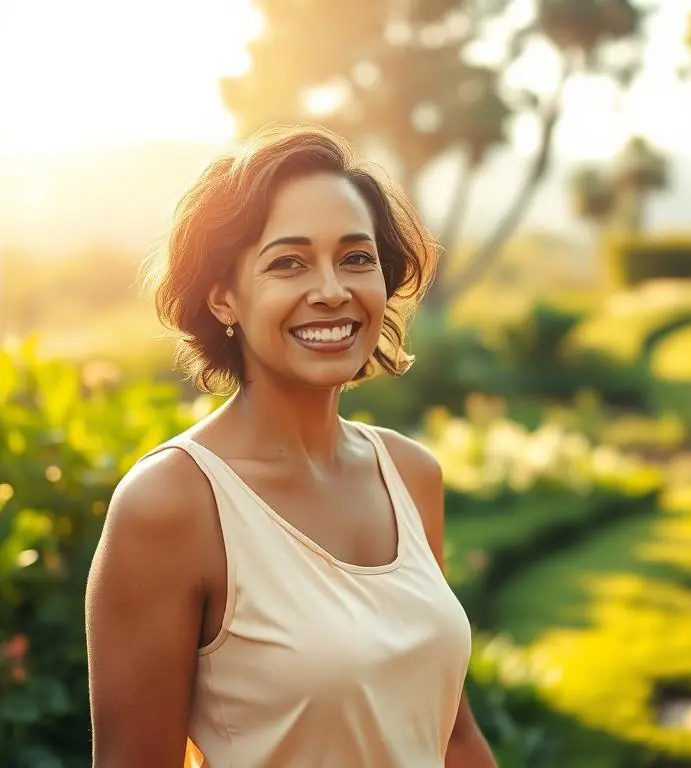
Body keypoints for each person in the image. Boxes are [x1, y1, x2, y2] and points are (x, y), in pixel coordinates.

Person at [84, 124, 498, 767]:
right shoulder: (172, 503)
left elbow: (453, 736)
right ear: (224, 297)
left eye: (356, 258)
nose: (332, 289)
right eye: (288, 262)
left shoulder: (411, 475)